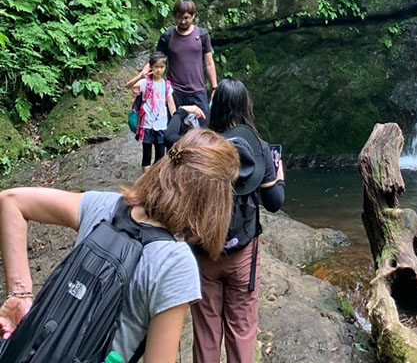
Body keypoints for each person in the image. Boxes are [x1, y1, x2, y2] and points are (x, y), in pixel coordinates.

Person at [0, 129, 239, 363]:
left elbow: (11, 201)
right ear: (213, 199)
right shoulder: (176, 263)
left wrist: (19, 294)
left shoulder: (103, 207)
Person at [186, 79, 285, 363]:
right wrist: (279, 174)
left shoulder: (199, 146)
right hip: (242, 253)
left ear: (214, 108)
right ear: (246, 107)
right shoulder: (259, 148)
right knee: (241, 329)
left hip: (203, 251)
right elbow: (275, 203)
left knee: (206, 331)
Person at [143, 0, 217, 126]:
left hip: (198, 92)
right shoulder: (167, 37)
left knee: (202, 133)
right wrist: (144, 76)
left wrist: (215, 87)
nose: (183, 21)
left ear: (193, 16)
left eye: (187, 18)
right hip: (174, 92)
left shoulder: (202, 35)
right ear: (174, 17)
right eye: (179, 18)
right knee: (174, 132)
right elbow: (155, 60)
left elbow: (209, 63)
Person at [126, 51, 176, 172]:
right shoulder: (145, 83)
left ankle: (154, 178)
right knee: (146, 156)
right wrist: (141, 76)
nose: (159, 70)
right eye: (156, 67)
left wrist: (175, 121)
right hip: (147, 125)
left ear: (165, 67)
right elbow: (128, 86)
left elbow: (170, 103)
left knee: (160, 156)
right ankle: (145, 181)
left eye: (162, 67)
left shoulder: (167, 86)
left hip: (161, 125)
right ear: (151, 67)